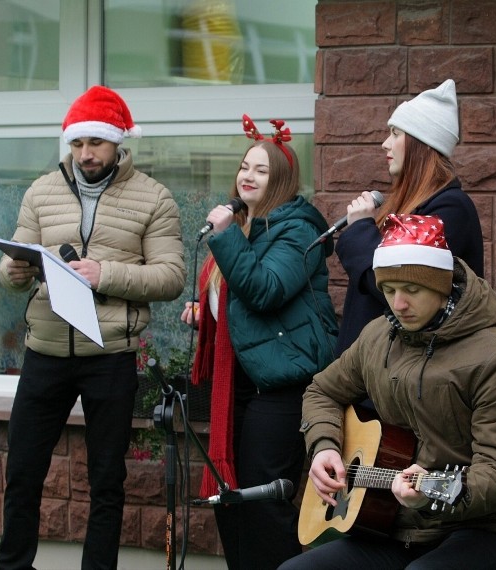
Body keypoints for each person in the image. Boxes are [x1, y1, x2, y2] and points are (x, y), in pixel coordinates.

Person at [279, 214, 496, 570]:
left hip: (485, 528)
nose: (398, 305)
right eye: (388, 291)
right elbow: (322, 391)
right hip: (394, 527)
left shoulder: (495, 356)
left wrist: (431, 492)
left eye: (412, 290)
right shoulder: (376, 337)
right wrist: (325, 447)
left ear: (441, 284)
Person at [0, 85, 186, 570]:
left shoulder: (154, 197)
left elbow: (171, 277)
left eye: (95, 144)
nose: (85, 154)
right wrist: (12, 273)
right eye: (77, 144)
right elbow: (18, 253)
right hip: (45, 351)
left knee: (106, 481)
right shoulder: (41, 190)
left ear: (119, 142)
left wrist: (107, 273)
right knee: (21, 474)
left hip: (111, 357)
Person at [180, 116, 339, 570]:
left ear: (281, 181)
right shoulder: (246, 226)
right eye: (244, 167)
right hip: (242, 384)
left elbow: (265, 289)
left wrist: (225, 235)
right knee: (229, 498)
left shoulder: (298, 231)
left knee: (263, 499)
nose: (246, 176)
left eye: (261, 170)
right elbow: (239, 302)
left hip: (285, 386)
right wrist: (206, 315)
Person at [333, 78, 483, 356]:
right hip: (377, 378)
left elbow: (399, 287)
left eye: (395, 133)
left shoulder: (450, 209)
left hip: (402, 384)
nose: (384, 143)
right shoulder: (414, 205)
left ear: (420, 143)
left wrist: (361, 229)